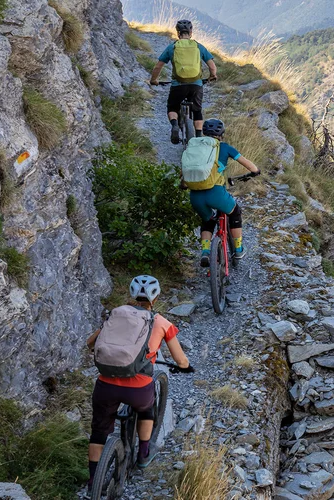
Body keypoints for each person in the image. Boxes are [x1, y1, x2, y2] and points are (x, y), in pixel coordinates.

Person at [85, 276, 192, 485]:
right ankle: (143, 454)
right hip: (138, 388)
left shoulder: (115, 315)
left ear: (132, 295)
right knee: (146, 409)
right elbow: (180, 359)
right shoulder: (161, 322)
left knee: (99, 431)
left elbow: (90, 344)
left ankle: (92, 482)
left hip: (105, 384)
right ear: (157, 297)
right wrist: (184, 366)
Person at [183, 118, 261, 266]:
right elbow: (248, 165)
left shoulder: (193, 148)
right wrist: (255, 171)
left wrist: (184, 185)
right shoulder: (224, 147)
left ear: (204, 132)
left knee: (208, 220)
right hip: (216, 193)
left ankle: (205, 252)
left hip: (195, 196)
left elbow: (185, 172)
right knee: (235, 211)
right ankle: (238, 249)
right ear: (221, 134)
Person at [147, 19, 218, 144]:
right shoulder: (198, 46)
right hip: (196, 85)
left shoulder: (172, 47)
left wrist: (154, 80)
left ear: (178, 33)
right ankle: (198, 136)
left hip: (178, 85)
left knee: (172, 107)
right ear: (191, 32)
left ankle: (175, 125)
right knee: (197, 111)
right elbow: (212, 67)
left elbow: (158, 67)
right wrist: (212, 76)